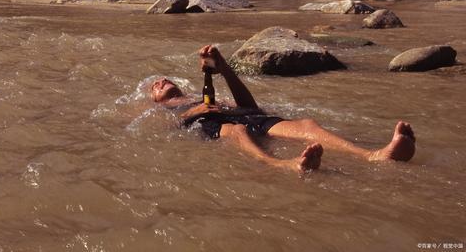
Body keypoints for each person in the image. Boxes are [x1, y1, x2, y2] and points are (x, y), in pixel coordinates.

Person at [150, 45, 416, 173]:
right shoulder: (165, 109)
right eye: (154, 86)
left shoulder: (199, 92)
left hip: (247, 116)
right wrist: (191, 113)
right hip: (219, 125)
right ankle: (283, 165)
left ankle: (373, 155)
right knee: (236, 130)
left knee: (307, 125)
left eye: (164, 79)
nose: (160, 82)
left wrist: (224, 68)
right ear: (155, 99)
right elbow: (161, 130)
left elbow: (249, 107)